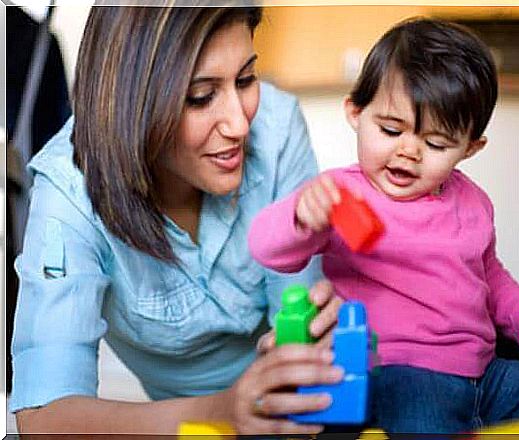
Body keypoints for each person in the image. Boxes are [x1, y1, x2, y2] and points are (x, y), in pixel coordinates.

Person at [10, 5, 346, 436]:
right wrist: (223, 411)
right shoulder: (69, 192)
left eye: (245, 80)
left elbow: (297, 319)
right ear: (131, 102)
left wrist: (315, 341)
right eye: (201, 96)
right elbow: (44, 417)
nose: (240, 124)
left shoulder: (276, 127)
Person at [248, 17, 519, 434]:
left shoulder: (473, 202)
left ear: (470, 147)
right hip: (399, 373)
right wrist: (299, 216)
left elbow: (492, 278)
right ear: (355, 111)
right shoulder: (338, 196)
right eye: (390, 129)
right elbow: (266, 247)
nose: (409, 151)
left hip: (486, 373)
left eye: (436, 143)